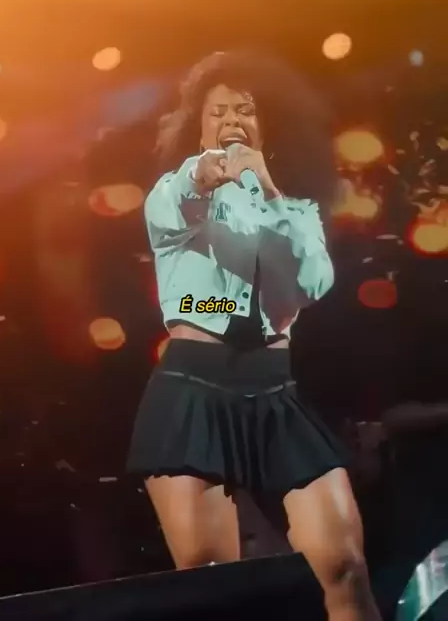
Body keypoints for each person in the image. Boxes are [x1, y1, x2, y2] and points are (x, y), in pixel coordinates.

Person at [128, 50, 381, 621]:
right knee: (214, 580)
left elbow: (313, 283)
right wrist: (203, 173)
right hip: (195, 387)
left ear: (270, 125)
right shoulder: (177, 194)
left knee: (345, 565)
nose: (231, 121)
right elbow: (175, 203)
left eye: (245, 110)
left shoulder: (296, 211)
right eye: (217, 112)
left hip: (275, 392)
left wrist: (265, 187)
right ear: (198, 126)